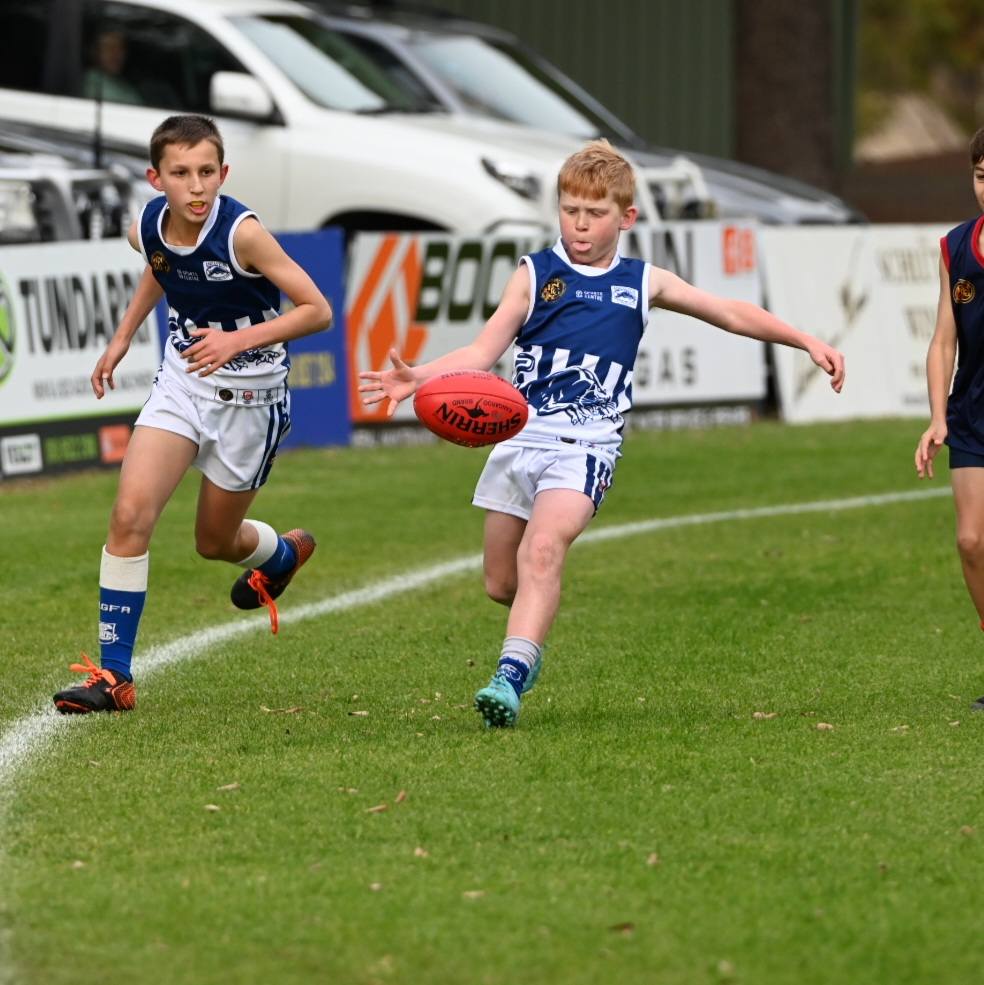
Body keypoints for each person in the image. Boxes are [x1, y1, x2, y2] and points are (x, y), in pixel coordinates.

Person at [359, 139, 845, 728]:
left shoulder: (643, 282)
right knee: (501, 582)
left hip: (586, 448)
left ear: (626, 217)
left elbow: (729, 311)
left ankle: (508, 677)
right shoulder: (534, 274)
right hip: (520, 439)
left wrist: (804, 340)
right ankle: (532, 632)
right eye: (570, 210)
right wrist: (419, 377)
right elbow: (482, 352)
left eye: (594, 213)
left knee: (543, 551)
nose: (580, 224)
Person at [53, 114, 333, 715]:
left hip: (252, 401)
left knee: (214, 541)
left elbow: (317, 310)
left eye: (207, 171)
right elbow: (159, 267)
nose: (196, 186)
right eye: (181, 173)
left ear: (224, 173)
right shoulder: (147, 226)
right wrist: (121, 338)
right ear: (156, 179)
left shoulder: (243, 234)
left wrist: (238, 340)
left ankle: (281, 556)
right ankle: (114, 676)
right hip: (182, 384)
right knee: (129, 515)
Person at [915, 127, 984, 708]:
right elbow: (943, 341)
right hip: (972, 413)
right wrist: (938, 416)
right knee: (970, 540)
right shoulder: (956, 248)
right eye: (982, 178)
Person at [82, 29, 143, 105]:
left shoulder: (121, 83)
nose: (115, 53)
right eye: (109, 47)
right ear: (95, 52)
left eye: (120, 47)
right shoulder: (93, 82)